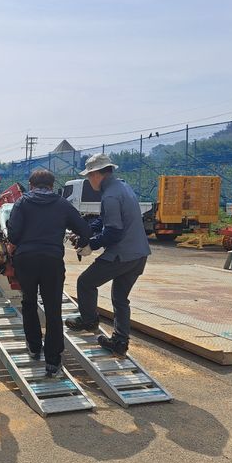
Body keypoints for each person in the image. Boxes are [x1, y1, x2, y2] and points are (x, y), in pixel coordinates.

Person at [7, 168, 92, 378]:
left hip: (26, 260)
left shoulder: (22, 203)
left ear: (31, 184)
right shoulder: (62, 204)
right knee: (53, 309)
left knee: (28, 302)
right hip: (52, 260)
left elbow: (14, 234)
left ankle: (34, 347)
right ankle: (53, 361)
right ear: (52, 186)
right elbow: (85, 230)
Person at [65, 153, 151, 357]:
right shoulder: (122, 187)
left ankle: (88, 320)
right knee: (120, 299)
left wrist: (90, 245)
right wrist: (86, 231)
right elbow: (104, 220)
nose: (88, 181)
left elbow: (114, 232)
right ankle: (120, 342)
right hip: (139, 255)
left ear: (96, 174)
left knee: (85, 282)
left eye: (88, 176)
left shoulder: (110, 195)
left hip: (122, 254)